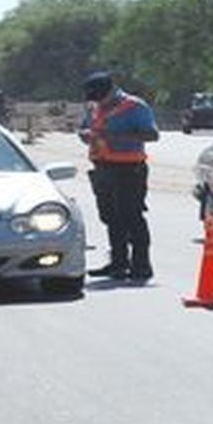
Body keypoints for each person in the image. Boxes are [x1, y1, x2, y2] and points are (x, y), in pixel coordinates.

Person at [78, 72, 159, 281]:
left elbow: (152, 134)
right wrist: (85, 135)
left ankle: (141, 265)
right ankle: (118, 263)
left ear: (110, 90)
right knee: (111, 218)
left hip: (129, 169)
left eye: (98, 96)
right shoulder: (94, 107)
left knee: (131, 217)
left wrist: (116, 136)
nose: (96, 101)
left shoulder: (135, 106)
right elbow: (85, 128)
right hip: (103, 168)